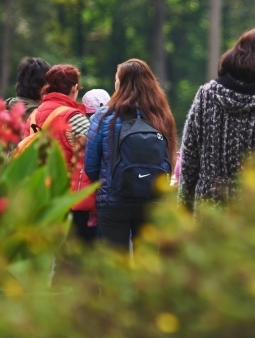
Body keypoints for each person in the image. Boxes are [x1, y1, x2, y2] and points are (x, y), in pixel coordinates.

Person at [178, 28, 255, 213]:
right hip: (253, 220)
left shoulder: (205, 97)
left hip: (208, 213)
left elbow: (189, 163)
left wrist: (183, 214)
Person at [84, 59, 176, 249]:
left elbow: (90, 166)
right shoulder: (161, 115)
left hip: (113, 200)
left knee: (115, 266)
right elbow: (170, 158)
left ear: (121, 84)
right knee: (146, 264)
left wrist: (108, 182)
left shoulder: (103, 116)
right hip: (152, 200)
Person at [29, 64, 96, 243]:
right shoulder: (73, 117)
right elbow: (95, 149)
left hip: (40, 195)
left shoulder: (34, 115)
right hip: (69, 198)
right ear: (74, 88)